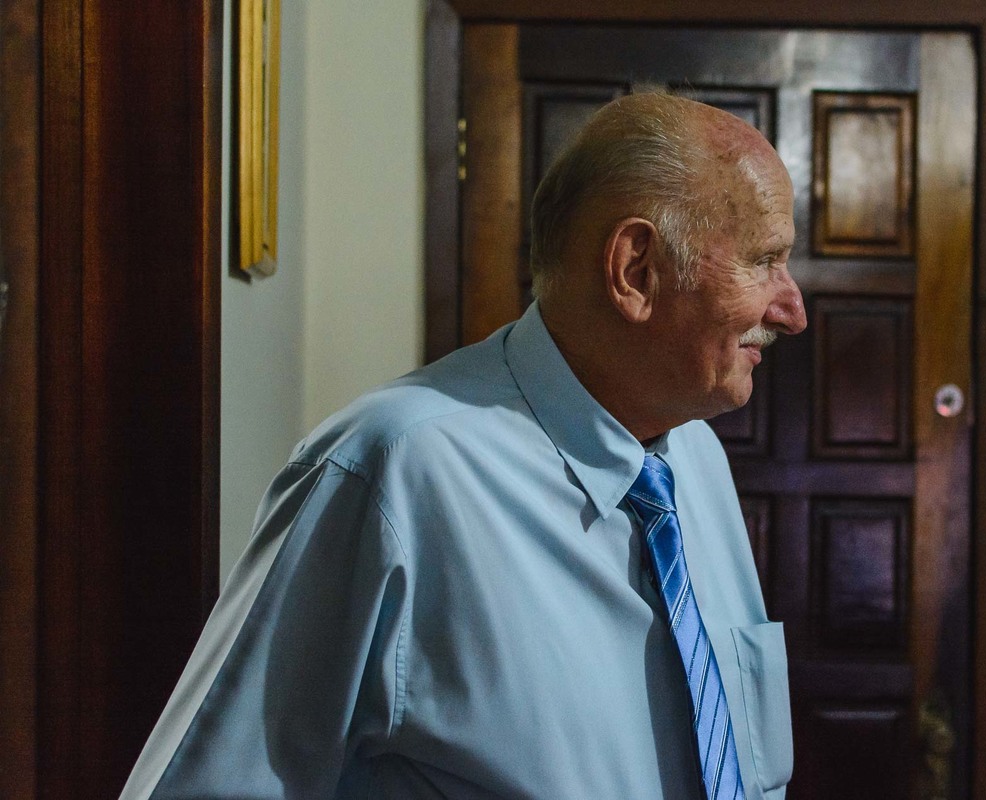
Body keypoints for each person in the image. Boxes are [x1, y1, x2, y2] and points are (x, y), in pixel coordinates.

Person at [120, 91, 806, 800]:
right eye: (765, 262)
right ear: (636, 270)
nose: (793, 310)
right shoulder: (389, 472)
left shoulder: (697, 459)